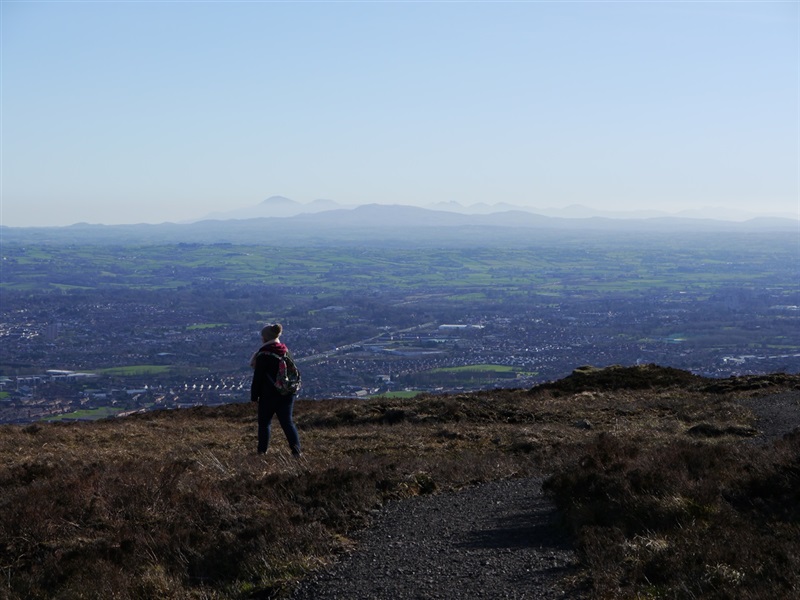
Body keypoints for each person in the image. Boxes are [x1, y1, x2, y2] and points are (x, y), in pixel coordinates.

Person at [250, 323, 301, 456]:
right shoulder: (284, 350)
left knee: (264, 423)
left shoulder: (263, 354)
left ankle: (262, 452)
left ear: (265, 338)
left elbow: (258, 377)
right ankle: (296, 451)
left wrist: (254, 396)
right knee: (287, 423)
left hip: (269, 394)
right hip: (287, 393)